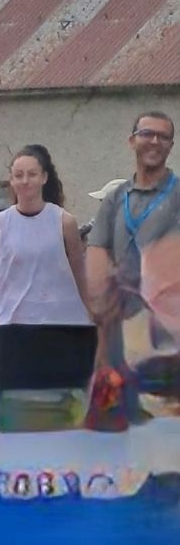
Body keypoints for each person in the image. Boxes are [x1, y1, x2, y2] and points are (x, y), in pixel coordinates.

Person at [86, 112, 180, 412]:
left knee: (167, 423)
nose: (155, 141)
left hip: (170, 336)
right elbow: (97, 253)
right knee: (117, 423)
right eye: (147, 134)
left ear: (171, 146)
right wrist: (100, 302)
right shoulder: (115, 198)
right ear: (132, 141)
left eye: (163, 137)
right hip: (120, 335)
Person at [0, 144, 96, 393]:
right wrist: (2, 306)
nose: (25, 181)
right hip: (16, 329)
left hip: (64, 326)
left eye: (32, 174)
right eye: (19, 175)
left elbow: (79, 273)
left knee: (66, 403)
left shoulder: (65, 221)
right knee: (19, 403)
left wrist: (91, 310)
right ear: (11, 180)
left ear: (44, 178)